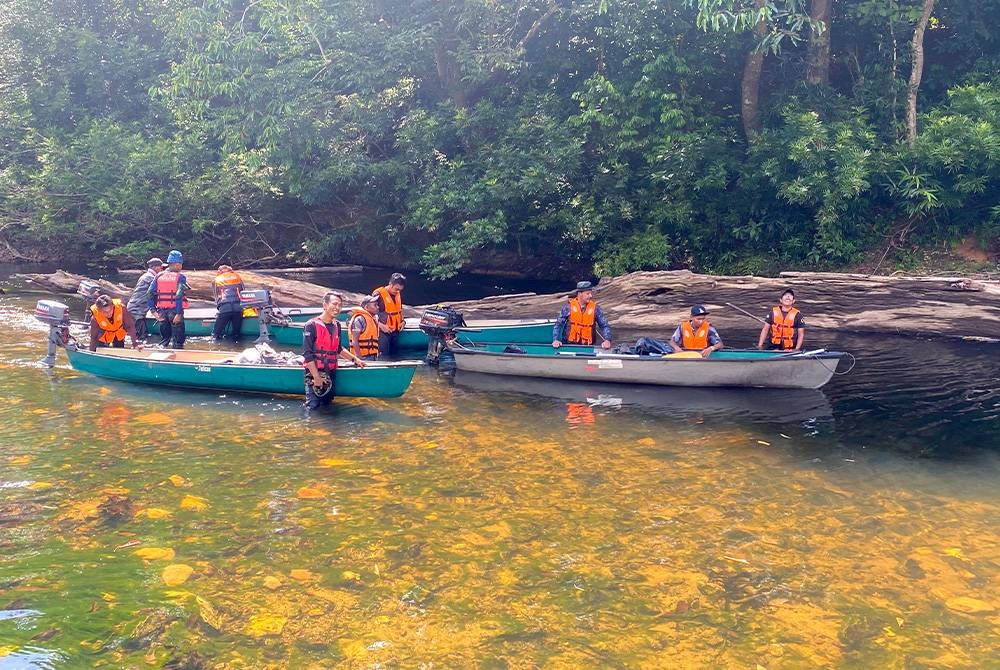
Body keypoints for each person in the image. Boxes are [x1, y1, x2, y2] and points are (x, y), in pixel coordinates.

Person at [302, 292, 367, 410]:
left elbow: (338, 349)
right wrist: (316, 377)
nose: (337, 308)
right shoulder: (311, 325)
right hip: (315, 372)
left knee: (328, 405)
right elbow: (307, 354)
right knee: (313, 406)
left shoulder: (337, 325)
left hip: (331, 372)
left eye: (340, 305)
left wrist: (355, 359)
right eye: (334, 304)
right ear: (325, 305)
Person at [147, 249, 190, 349]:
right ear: (177, 264)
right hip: (174, 312)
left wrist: (153, 311)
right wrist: (179, 314)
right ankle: (178, 361)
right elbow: (179, 295)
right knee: (178, 341)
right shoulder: (180, 277)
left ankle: (161, 360)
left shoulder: (158, 275)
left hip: (161, 313)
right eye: (181, 264)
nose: (181, 266)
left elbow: (149, 293)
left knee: (164, 340)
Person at [552, 281, 612, 349]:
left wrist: (607, 340)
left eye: (591, 293)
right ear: (580, 294)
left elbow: (604, 326)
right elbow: (558, 324)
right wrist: (555, 339)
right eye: (587, 294)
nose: (590, 296)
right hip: (568, 346)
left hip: (588, 347)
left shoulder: (596, 309)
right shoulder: (568, 307)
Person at [126, 257, 165, 343]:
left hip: (136, 309)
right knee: (141, 338)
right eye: (161, 267)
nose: (162, 270)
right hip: (136, 310)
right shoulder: (150, 278)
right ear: (155, 267)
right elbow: (158, 293)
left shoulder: (147, 276)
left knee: (139, 336)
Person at [373, 272, 406, 358]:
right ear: (390, 284)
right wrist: (380, 325)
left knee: (395, 356)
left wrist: (403, 322)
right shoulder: (378, 294)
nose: (398, 291)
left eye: (400, 290)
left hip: (395, 332)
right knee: (383, 357)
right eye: (396, 289)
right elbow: (369, 314)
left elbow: (399, 310)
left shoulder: (397, 293)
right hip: (382, 332)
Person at [211, 264, 246, 343]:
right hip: (238, 308)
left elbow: (216, 295)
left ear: (220, 271)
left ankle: (217, 348)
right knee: (236, 334)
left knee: (215, 335)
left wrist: (219, 308)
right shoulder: (237, 277)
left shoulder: (216, 280)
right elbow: (243, 291)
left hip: (224, 308)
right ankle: (238, 348)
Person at [349, 295, 381, 361]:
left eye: (377, 305)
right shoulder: (359, 319)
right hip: (363, 357)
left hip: (372, 356)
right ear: (366, 307)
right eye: (375, 305)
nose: (378, 307)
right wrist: (359, 358)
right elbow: (354, 340)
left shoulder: (374, 319)